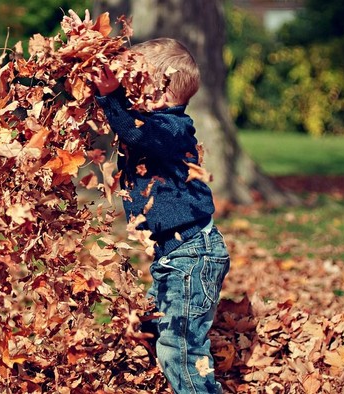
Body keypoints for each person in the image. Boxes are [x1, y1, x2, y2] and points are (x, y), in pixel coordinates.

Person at [92, 38, 231, 393]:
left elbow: (137, 136)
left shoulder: (171, 129)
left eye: (133, 82)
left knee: (180, 350)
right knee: (151, 324)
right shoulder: (154, 126)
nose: (126, 90)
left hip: (192, 257)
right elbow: (130, 129)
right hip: (175, 257)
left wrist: (111, 98)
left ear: (160, 90)